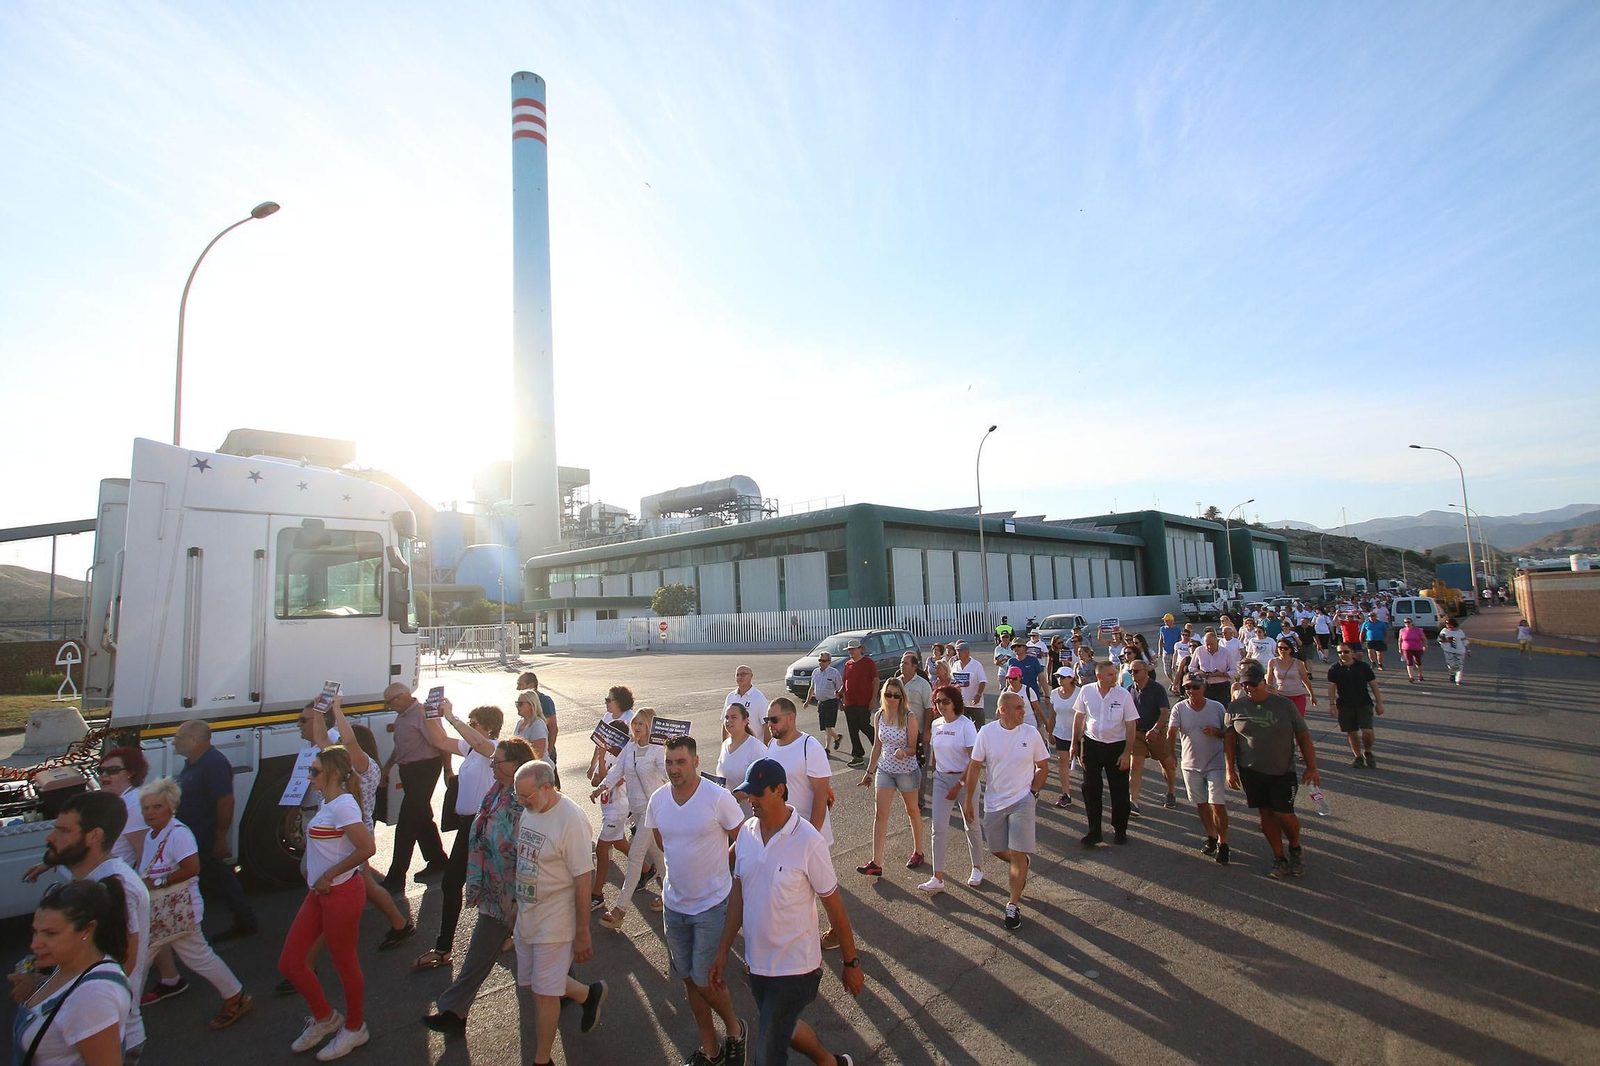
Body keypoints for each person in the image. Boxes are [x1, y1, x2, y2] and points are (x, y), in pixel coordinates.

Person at [710, 759, 863, 1066]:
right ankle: (831, 1063)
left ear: (780, 791)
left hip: (796, 970)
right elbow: (739, 896)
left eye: (757, 794)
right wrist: (723, 950)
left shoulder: (808, 841)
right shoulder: (746, 834)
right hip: (758, 965)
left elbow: (835, 906)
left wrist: (851, 962)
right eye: (747, 794)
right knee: (783, 1028)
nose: (750, 800)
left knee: (767, 1052)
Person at [635, 737, 748, 1066]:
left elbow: (743, 837)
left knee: (704, 979)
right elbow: (662, 841)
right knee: (687, 978)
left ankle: (735, 1028)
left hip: (711, 907)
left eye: (680, 762)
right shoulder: (658, 801)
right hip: (674, 906)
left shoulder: (717, 798)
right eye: (669, 762)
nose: (674, 769)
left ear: (696, 761)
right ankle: (710, 1048)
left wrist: (721, 865)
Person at [20, 791, 154, 1060]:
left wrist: (41, 986)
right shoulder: (93, 877)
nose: (50, 837)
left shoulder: (118, 887)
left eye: (62, 831)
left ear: (94, 836)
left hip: (102, 1035)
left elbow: (122, 964)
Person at [423, 737, 536, 1034]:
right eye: (493, 761)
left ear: (516, 765)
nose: (493, 766)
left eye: (498, 762)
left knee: (538, 948)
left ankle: (579, 992)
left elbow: (531, 849)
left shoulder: (526, 798)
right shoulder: (497, 790)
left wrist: (519, 896)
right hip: (495, 888)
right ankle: (455, 1011)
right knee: (487, 951)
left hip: (516, 891)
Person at [278, 746, 375, 1060]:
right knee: (290, 963)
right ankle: (326, 1018)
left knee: (344, 964)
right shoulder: (327, 801)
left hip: (342, 894)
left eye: (315, 771)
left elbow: (367, 848)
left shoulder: (343, 805)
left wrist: (330, 874)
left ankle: (356, 1028)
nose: (310, 776)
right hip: (319, 894)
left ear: (333, 773)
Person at [511, 761, 607, 1066]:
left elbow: (582, 878)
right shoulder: (531, 810)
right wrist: (516, 908)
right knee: (533, 983)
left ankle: (542, 1059)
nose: (522, 803)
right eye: (519, 797)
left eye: (526, 796)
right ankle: (587, 995)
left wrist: (582, 932)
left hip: (556, 920)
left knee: (544, 993)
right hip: (528, 916)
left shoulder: (571, 820)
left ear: (547, 788)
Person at [135, 778, 250, 1025]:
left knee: (138, 963)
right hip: (164, 914)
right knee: (194, 957)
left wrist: (157, 883)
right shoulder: (151, 835)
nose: (150, 813)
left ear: (171, 807)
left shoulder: (179, 835)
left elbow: (192, 868)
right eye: (146, 808)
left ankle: (121, 1019)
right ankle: (235, 996)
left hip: (178, 912)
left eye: (157, 807)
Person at [411, 702, 503, 970]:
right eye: (470, 722)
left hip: (486, 825)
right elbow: (439, 739)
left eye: (474, 724)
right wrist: (430, 715)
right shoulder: (471, 748)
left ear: (489, 728)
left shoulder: (494, 748)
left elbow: (484, 746)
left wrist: (452, 716)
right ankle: (443, 949)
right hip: (468, 826)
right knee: (452, 883)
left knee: (497, 884)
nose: (469, 728)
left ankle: (519, 935)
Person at [14, 878, 131, 1066]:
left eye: (50, 933)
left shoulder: (93, 996)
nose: (34, 944)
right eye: (36, 932)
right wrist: (36, 984)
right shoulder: (69, 966)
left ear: (87, 929)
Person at [1225, 662, 1321, 879]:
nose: (1249, 688)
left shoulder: (1284, 705)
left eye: (1253, 683)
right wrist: (1229, 770)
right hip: (1251, 770)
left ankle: (1295, 849)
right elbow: (1230, 741)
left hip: (1282, 770)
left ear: (1264, 682)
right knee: (1266, 813)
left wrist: (1311, 767)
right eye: (1244, 684)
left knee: (1284, 814)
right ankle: (1279, 857)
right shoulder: (1235, 708)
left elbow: (1303, 736)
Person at [760, 698, 840, 951]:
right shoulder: (771, 745)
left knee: (824, 889)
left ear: (791, 717)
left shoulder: (810, 746)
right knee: (789, 891)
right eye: (767, 720)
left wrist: (811, 835)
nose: (770, 725)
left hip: (809, 833)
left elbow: (820, 793)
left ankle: (839, 932)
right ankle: (792, 939)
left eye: (774, 719)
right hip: (782, 832)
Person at [965, 692, 1050, 930]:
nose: (1024, 711)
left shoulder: (1031, 734)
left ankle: (1013, 905)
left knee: (1017, 850)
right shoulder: (987, 733)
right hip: (994, 802)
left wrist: (1033, 793)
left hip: (1023, 799)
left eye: (1023, 707)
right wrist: (969, 801)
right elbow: (974, 767)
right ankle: (1021, 863)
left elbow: (1043, 766)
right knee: (997, 849)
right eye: (1019, 707)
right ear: (1003, 710)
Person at [170, 721, 255, 940]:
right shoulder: (193, 763)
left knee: (219, 877)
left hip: (204, 836)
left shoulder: (214, 763)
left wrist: (219, 838)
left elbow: (226, 801)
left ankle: (244, 919)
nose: (174, 742)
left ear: (194, 740)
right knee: (217, 877)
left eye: (178, 737)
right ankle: (243, 918)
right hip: (191, 836)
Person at [598, 710, 668, 925]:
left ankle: (620, 909)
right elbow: (617, 771)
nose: (637, 727)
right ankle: (672, 894)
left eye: (642, 723)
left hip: (652, 810)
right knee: (657, 853)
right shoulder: (630, 747)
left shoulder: (658, 750)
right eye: (635, 723)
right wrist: (602, 787)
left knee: (636, 855)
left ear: (650, 726)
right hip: (637, 809)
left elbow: (667, 773)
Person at [379, 682, 450, 888]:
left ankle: (396, 876)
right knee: (422, 817)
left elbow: (441, 742)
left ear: (401, 697)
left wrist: (448, 770)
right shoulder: (403, 716)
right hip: (409, 770)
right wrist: (388, 766)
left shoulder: (421, 714)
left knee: (407, 822)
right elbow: (401, 744)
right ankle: (438, 860)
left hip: (424, 769)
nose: (389, 706)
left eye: (389, 702)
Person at [854, 677, 925, 876]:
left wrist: (904, 751)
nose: (892, 698)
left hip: (906, 771)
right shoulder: (879, 716)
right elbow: (877, 746)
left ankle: (918, 851)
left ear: (902, 697)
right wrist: (869, 772)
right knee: (880, 814)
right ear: (883, 694)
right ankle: (876, 862)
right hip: (885, 769)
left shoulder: (909, 717)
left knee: (912, 810)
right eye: (888, 694)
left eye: (896, 695)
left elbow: (913, 747)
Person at [918, 685, 983, 894]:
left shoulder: (966, 726)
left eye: (946, 701)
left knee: (970, 824)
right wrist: (936, 774)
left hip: (965, 781)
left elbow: (975, 761)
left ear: (955, 702)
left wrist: (960, 785)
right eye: (938, 701)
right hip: (941, 780)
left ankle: (977, 868)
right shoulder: (936, 725)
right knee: (938, 829)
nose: (941, 705)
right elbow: (936, 754)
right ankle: (938, 877)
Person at [1071, 662, 1138, 847]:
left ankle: (1120, 829)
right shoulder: (1086, 691)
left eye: (1114, 673)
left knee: (1119, 790)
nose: (1114, 677)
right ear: (1099, 676)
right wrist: (1074, 743)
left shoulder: (1123, 695)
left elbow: (1131, 725)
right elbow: (1079, 717)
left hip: (1116, 746)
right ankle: (1094, 832)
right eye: (1110, 674)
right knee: (1091, 788)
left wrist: (1127, 753)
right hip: (1091, 745)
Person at [1168, 676, 1230, 864]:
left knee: (1217, 804)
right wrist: (1170, 755)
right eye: (1187, 687)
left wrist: (1216, 732)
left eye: (1195, 687)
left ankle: (1223, 843)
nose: (1190, 691)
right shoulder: (1179, 708)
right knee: (1201, 804)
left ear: (1204, 687)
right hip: (1190, 764)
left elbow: (1229, 733)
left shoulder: (1217, 707)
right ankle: (1211, 836)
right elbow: (1171, 733)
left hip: (1215, 762)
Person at [587, 686, 637, 909]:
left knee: (602, 848)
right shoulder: (605, 752)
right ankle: (647, 869)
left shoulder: (623, 755)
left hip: (619, 806)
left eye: (609, 700)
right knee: (619, 843)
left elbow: (612, 781)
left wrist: (601, 759)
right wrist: (598, 756)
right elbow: (596, 782)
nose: (606, 703)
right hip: (607, 807)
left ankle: (597, 894)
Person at [1126, 661, 1178, 815]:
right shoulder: (1129, 690)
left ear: (1145, 672)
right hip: (1137, 734)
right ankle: (1133, 801)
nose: (1133, 675)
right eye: (1131, 672)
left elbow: (1164, 712)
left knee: (1166, 762)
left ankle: (1171, 791)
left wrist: (1155, 729)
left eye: (1136, 671)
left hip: (1156, 733)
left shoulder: (1157, 689)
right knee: (1135, 766)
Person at [1327, 644, 1384, 768]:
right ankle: (1358, 756)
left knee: (1367, 731)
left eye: (1346, 652)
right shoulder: (1334, 669)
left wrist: (1379, 703)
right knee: (1352, 732)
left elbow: (1373, 685)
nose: (1343, 654)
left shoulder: (1363, 667)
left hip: (1364, 703)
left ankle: (1368, 752)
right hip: (1345, 705)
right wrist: (1332, 704)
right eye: (1340, 652)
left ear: (1352, 652)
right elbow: (1331, 687)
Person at [94, 748, 149, 871]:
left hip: (119, 881)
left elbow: (143, 853)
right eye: (101, 770)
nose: (104, 775)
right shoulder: (115, 801)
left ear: (131, 772)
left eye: (113, 770)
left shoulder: (133, 804)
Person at [895, 652, 935, 810]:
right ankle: (908, 796)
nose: (901, 666)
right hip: (899, 733)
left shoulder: (922, 684)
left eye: (905, 663)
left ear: (914, 666)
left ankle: (919, 800)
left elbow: (929, 709)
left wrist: (926, 731)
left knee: (920, 766)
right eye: (901, 662)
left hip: (918, 732)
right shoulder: (896, 683)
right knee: (903, 766)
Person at [717, 704, 769, 819]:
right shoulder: (725, 744)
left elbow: (767, 782)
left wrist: (742, 794)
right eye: (726, 717)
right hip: (728, 816)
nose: (729, 721)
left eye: (734, 717)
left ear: (745, 721)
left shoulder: (755, 747)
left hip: (750, 818)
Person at [840, 639, 879, 768]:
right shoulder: (848, 664)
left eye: (853, 649)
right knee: (852, 729)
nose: (851, 652)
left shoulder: (868, 662)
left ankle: (879, 746)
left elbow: (876, 680)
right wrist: (841, 693)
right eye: (849, 649)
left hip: (864, 701)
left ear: (860, 649)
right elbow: (845, 682)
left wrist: (873, 699)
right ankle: (857, 755)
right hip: (850, 703)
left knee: (864, 725)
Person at [1047, 667, 1079, 809]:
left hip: (1079, 734)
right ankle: (1066, 794)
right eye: (1058, 676)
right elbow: (1053, 716)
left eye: (1063, 677)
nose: (1060, 679)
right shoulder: (1054, 693)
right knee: (1062, 762)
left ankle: (1091, 788)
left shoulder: (1080, 693)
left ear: (1072, 678)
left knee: (1085, 764)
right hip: (1061, 733)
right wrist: (1050, 732)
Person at [516, 671, 560, 769]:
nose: (517, 688)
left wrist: (548, 752)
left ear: (531, 685)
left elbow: (553, 729)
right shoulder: (520, 722)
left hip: (542, 761)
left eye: (520, 684)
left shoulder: (545, 701)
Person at [802, 652, 844, 753]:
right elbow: (812, 687)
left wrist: (842, 701)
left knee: (828, 725)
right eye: (820, 660)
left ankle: (827, 748)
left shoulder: (834, 673)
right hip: (821, 703)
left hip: (831, 702)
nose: (821, 663)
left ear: (829, 662)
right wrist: (807, 700)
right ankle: (837, 737)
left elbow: (840, 688)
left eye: (824, 661)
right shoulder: (815, 672)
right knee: (824, 726)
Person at [1266, 639, 1318, 716]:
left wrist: (1312, 695)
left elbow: (1306, 680)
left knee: (1298, 721)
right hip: (1281, 696)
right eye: (1280, 648)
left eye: (1285, 648)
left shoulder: (1298, 663)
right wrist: (1271, 694)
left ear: (1290, 649)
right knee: (1284, 721)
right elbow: (1269, 680)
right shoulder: (1272, 662)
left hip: (1298, 696)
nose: (1283, 650)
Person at [1190, 631, 1238, 708]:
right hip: (1205, 686)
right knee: (1206, 710)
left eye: (1211, 644)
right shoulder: (1199, 651)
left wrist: (1222, 674)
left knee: (1222, 710)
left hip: (1221, 687)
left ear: (1217, 642)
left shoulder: (1226, 652)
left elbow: (1234, 671)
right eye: (1207, 644)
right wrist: (1199, 672)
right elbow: (1191, 667)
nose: (1209, 647)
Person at [949, 642, 988, 726]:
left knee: (978, 727)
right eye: (957, 651)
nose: (958, 653)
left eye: (961, 651)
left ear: (967, 652)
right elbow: (952, 680)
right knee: (962, 727)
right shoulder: (955, 665)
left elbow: (982, 681)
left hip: (975, 704)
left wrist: (978, 694)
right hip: (960, 703)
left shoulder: (976, 665)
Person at [1439, 616, 1471, 685]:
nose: (1447, 625)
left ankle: (1458, 680)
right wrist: (1447, 640)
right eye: (1446, 623)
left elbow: (1464, 640)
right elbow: (1440, 640)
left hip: (1460, 650)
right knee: (1451, 665)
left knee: (1460, 665)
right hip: (1448, 650)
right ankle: (1452, 673)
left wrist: (1468, 650)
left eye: (1448, 623)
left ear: (1453, 624)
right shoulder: (1444, 631)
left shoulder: (1460, 631)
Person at [1157, 615, 1182, 679]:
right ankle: (1173, 681)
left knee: (1176, 669)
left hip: (1175, 653)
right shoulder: (1162, 629)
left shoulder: (1177, 629)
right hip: (1166, 652)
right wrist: (1160, 651)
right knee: (1167, 671)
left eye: (1167, 620)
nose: (1165, 622)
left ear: (1172, 621)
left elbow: (1180, 640)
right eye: (1165, 620)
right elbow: (1161, 640)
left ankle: (1176, 683)